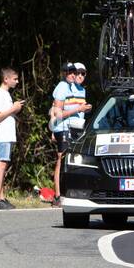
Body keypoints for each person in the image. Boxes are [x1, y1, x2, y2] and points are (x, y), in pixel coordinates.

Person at [50, 62, 91, 205]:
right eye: (74, 72)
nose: (77, 75)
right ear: (65, 73)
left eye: (81, 73)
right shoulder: (64, 86)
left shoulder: (79, 89)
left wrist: (84, 110)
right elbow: (56, 110)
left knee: (73, 160)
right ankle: (58, 195)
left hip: (76, 128)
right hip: (63, 127)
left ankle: (71, 192)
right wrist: (53, 127)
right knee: (62, 159)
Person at [0, 67, 24, 210]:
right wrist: (13, 108)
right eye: (14, 79)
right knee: (1, 164)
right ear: (6, 79)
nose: (17, 82)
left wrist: (15, 109)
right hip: (2, 135)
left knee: (4, 165)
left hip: (7, 135)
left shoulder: (6, 95)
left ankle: (2, 196)